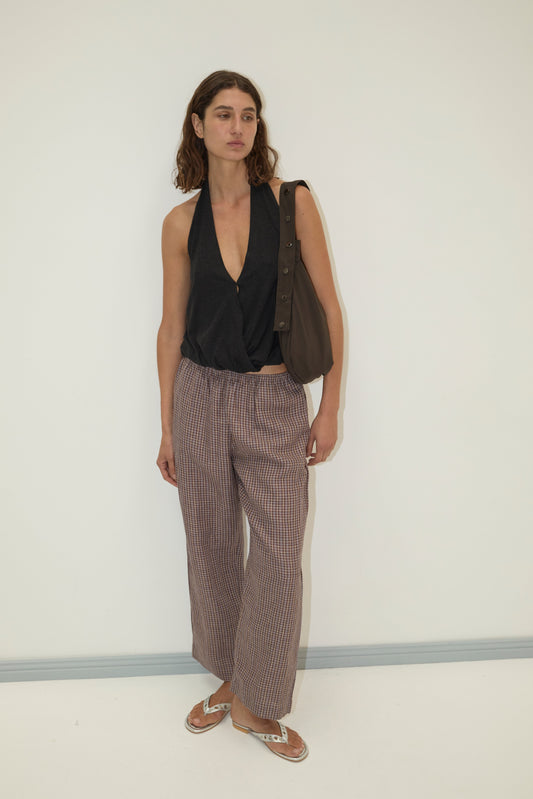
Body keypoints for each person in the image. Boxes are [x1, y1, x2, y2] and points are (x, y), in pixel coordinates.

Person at [156, 70, 343, 762]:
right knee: (208, 542)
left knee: (277, 552)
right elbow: (171, 326)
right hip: (200, 394)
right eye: (223, 114)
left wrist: (329, 407)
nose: (238, 126)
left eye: (249, 115)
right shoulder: (180, 222)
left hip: (273, 399)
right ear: (198, 124)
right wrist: (170, 424)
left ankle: (258, 699)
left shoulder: (290, 203)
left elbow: (328, 307)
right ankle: (231, 674)